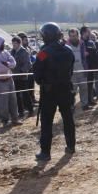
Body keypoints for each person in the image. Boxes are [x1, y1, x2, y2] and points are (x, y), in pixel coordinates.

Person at [33, 23, 76, 162]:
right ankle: (71, 146)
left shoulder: (43, 53)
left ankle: (45, 153)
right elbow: (71, 70)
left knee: (47, 122)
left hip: (49, 92)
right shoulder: (68, 50)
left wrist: (45, 82)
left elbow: (37, 75)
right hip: (65, 89)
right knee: (68, 119)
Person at [66, 29, 91, 111]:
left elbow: (84, 57)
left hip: (82, 69)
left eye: (75, 36)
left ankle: (85, 104)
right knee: (72, 90)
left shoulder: (82, 43)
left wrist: (85, 68)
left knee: (84, 88)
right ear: (69, 36)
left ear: (78, 35)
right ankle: (71, 106)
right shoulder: (66, 45)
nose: (73, 37)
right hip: (71, 71)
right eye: (71, 36)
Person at [11, 35, 34, 117]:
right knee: (17, 95)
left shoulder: (24, 52)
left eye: (15, 43)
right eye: (13, 43)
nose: (14, 45)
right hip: (14, 76)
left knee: (25, 95)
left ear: (19, 43)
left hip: (22, 77)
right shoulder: (12, 52)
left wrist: (21, 71)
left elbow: (28, 64)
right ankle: (20, 112)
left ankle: (30, 110)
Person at [79, 26, 98, 103]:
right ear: (83, 32)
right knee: (84, 86)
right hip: (83, 68)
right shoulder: (79, 42)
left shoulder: (91, 42)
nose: (90, 33)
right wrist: (82, 54)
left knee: (90, 84)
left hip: (92, 67)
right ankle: (85, 102)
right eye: (88, 31)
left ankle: (90, 100)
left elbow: (95, 54)